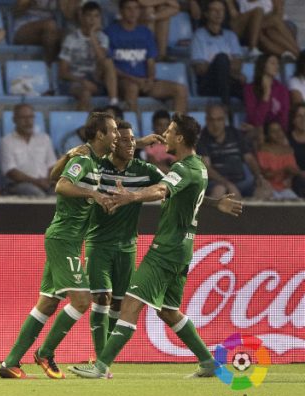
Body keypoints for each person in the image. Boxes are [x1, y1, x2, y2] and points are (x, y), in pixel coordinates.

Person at [50, 121, 242, 360]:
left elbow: (176, 191)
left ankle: (104, 361)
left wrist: (214, 203)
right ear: (112, 143)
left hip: (128, 246)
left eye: (133, 140)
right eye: (124, 140)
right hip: (98, 242)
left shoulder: (146, 170)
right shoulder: (98, 165)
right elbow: (58, 178)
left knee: (121, 304)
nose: (131, 144)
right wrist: (69, 155)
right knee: (103, 298)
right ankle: (100, 361)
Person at [0, 112, 116, 379]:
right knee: (82, 301)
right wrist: (93, 192)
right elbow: (61, 185)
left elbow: (54, 174)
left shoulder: (92, 159)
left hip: (68, 239)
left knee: (48, 303)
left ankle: (10, 363)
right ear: (100, 134)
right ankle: (45, 352)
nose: (117, 136)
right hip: (64, 239)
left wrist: (66, 157)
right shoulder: (84, 160)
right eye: (112, 131)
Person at [105, 0, 187, 112]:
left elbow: (151, 62)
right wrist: (135, 80)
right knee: (132, 88)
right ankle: (132, 123)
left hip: (144, 82)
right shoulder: (110, 33)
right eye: (129, 8)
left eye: (136, 8)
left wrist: (150, 79)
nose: (133, 12)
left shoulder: (146, 32)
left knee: (180, 90)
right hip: (123, 81)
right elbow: (109, 67)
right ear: (121, 11)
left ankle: (177, 124)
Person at [58, 1, 118, 111]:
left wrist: (92, 36)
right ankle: (83, 120)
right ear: (82, 17)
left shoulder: (103, 37)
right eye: (89, 16)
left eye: (96, 16)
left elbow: (102, 60)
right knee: (85, 93)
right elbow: (62, 72)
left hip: (95, 80)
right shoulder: (71, 38)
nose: (92, 20)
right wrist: (82, 81)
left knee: (108, 62)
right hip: (74, 81)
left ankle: (113, 103)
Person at [199, 104, 268, 198]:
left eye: (219, 119)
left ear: (225, 120)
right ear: (206, 120)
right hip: (217, 182)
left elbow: (249, 159)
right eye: (212, 120)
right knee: (220, 189)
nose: (215, 124)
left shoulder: (235, 133)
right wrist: (228, 184)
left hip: (240, 182)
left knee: (265, 187)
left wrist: (258, 176)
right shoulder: (202, 138)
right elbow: (206, 168)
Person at [190, 0, 246, 107]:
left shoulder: (231, 36)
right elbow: (200, 68)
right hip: (208, 84)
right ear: (206, 14)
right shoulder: (199, 36)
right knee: (221, 58)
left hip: (230, 81)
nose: (219, 13)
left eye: (221, 10)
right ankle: (226, 107)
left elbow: (238, 65)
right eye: (214, 10)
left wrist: (218, 66)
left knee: (252, 89)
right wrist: (222, 64)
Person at [0, 104, 57, 197]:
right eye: (23, 118)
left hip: (45, 183)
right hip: (19, 184)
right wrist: (36, 182)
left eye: (30, 117)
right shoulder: (6, 141)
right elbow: (10, 171)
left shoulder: (44, 139)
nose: (28, 121)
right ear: (14, 120)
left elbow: (52, 165)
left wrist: (48, 181)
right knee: (37, 194)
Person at [189, 0, 263, 58]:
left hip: (230, 30)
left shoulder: (231, 2)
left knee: (259, 12)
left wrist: (229, 2)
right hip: (212, 30)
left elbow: (234, 16)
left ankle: (252, 49)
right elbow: (196, 14)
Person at [244, 53, 289, 135]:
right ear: (263, 65)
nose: (277, 66)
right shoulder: (249, 88)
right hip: (256, 133)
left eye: (277, 63)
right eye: (273, 63)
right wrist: (266, 94)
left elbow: (284, 118)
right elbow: (254, 121)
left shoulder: (282, 89)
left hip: (276, 132)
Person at [257, 120, 302, 200]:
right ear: (267, 135)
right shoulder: (263, 150)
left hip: (285, 188)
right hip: (269, 189)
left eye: (279, 130)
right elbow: (266, 175)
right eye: (273, 131)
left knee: (297, 203)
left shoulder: (288, 150)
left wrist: (291, 176)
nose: (278, 134)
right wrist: (284, 170)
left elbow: (294, 170)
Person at [288, 103, 305, 197]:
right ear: (293, 119)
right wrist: (300, 173)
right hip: (295, 178)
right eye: (299, 116)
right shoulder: (286, 139)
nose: (303, 119)